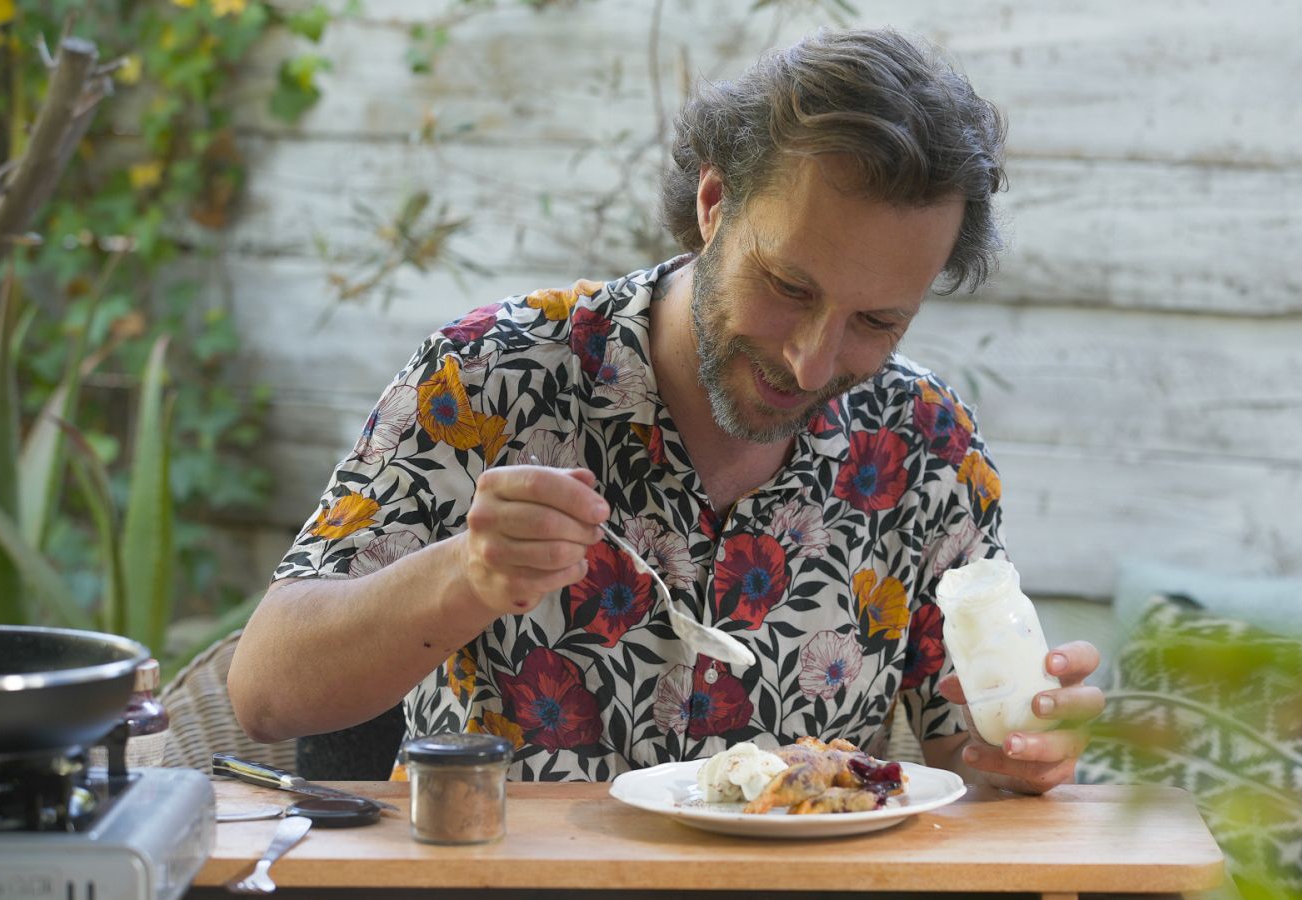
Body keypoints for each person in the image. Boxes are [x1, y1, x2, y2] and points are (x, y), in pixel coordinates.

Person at [230, 27, 1104, 795]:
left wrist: (1021, 751)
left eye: (876, 321)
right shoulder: (492, 375)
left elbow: (964, 755)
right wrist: (467, 575)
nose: (811, 358)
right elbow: (267, 693)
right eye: (788, 286)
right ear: (714, 204)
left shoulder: (924, 444)